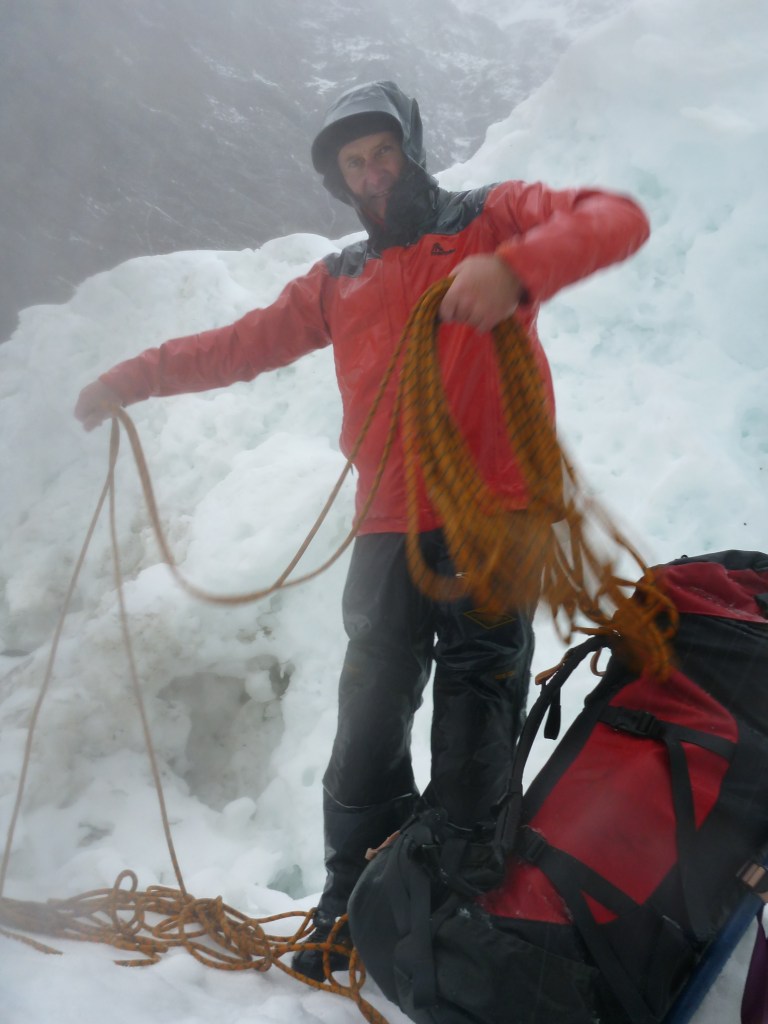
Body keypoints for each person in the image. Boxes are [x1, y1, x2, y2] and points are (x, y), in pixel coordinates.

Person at [75, 80, 650, 981]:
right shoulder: (338, 277)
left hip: (494, 512)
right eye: (354, 164)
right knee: (368, 720)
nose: (373, 174)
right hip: (386, 525)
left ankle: (454, 907)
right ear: (338, 180)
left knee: (474, 716)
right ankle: (353, 899)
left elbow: (613, 218)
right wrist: (129, 379)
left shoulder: (489, 220)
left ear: (411, 149)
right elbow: (240, 343)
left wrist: (515, 269)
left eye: (384, 153)